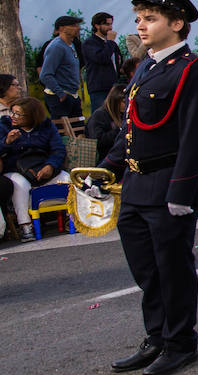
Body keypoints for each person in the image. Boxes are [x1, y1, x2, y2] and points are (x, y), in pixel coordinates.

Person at [98, 0, 198, 375]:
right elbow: (131, 128)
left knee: (173, 268)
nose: (141, 26)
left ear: (178, 23)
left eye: (150, 18)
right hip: (134, 186)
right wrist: (105, 169)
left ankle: (181, 342)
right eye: (139, 18)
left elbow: (195, 136)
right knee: (146, 271)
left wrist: (182, 190)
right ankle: (156, 337)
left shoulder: (193, 71)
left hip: (168, 186)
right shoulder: (147, 66)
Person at [0, 96, 69, 242]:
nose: (13, 116)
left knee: (67, 179)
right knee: (20, 185)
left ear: (32, 116)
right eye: (13, 112)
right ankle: (25, 226)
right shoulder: (5, 126)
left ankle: (73, 217)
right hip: (16, 168)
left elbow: (58, 150)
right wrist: (7, 142)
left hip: (42, 166)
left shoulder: (46, 125)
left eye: (18, 114)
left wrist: (50, 165)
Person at [39, 14, 83, 121]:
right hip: (59, 97)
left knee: (79, 130)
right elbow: (45, 75)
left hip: (73, 95)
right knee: (63, 133)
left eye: (78, 25)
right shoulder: (56, 47)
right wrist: (60, 94)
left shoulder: (71, 45)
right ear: (61, 28)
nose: (78, 28)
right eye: (73, 25)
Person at [82, 12, 123, 115]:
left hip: (113, 86)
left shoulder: (110, 43)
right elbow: (102, 58)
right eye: (106, 24)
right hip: (99, 88)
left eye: (110, 24)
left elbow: (118, 61)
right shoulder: (90, 43)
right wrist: (110, 42)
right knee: (101, 115)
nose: (110, 27)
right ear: (96, 25)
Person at [86, 84, 126, 163]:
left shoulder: (122, 114)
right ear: (115, 101)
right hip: (103, 159)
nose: (127, 105)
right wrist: (120, 130)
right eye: (124, 102)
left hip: (119, 156)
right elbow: (97, 140)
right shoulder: (100, 115)